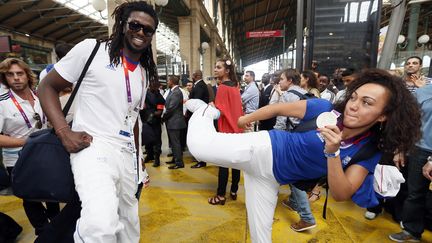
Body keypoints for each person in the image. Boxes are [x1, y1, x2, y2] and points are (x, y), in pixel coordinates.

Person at [185, 68, 421, 243]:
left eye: (367, 103)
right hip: (267, 148)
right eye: (353, 97)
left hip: (272, 178)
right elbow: (278, 108)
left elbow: (341, 193)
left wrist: (333, 152)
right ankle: (204, 110)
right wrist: (246, 119)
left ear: (383, 116)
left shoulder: (368, 150)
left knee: (261, 234)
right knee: (199, 147)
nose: (353, 105)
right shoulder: (325, 109)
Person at [37, 2, 158, 242]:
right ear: (123, 25)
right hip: (93, 147)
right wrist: (64, 132)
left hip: (126, 155)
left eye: (148, 30)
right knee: (100, 224)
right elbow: (46, 87)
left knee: (128, 226)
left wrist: (138, 162)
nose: (141, 33)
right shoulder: (91, 50)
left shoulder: (143, 72)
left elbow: (132, 118)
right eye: (135, 25)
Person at [0, 58, 60, 236]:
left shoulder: (40, 95)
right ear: (5, 78)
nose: (16, 78)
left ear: (27, 75)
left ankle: (57, 228)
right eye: (10, 75)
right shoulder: (2, 102)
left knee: (52, 193)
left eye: (20, 74)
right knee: (30, 197)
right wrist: (27, 141)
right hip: (18, 159)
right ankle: (42, 232)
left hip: (44, 155)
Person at [389, 84, 432, 242]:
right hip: (419, 150)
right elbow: (409, 123)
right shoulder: (422, 92)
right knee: (415, 194)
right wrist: (400, 148)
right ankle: (412, 230)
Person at [208, 57, 243, 205]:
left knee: (223, 164)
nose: (215, 69)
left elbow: (220, 111)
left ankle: (220, 195)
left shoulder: (222, 87)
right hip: (238, 130)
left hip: (226, 131)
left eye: (218, 67)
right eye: (215, 67)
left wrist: (212, 105)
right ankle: (234, 190)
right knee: (236, 163)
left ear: (227, 70)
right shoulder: (235, 86)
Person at [163, 75, 186, 169]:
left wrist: (164, 117)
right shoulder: (173, 91)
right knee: (173, 143)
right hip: (172, 121)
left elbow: (171, 108)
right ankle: (175, 158)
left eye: (168, 81)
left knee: (175, 143)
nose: (167, 82)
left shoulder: (176, 92)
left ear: (172, 82)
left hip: (175, 122)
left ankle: (179, 163)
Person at [141, 81, 165, 167]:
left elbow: (160, 111)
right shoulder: (145, 94)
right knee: (148, 140)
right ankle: (149, 155)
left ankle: (157, 159)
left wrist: (152, 114)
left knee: (157, 141)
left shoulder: (159, 97)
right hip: (145, 121)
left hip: (155, 122)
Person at [189, 70, 210, 168]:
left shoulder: (200, 85)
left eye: (192, 75)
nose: (191, 76)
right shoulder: (199, 84)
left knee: (199, 138)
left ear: (196, 76)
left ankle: (201, 161)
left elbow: (197, 101)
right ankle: (200, 159)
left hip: (199, 115)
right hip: (199, 114)